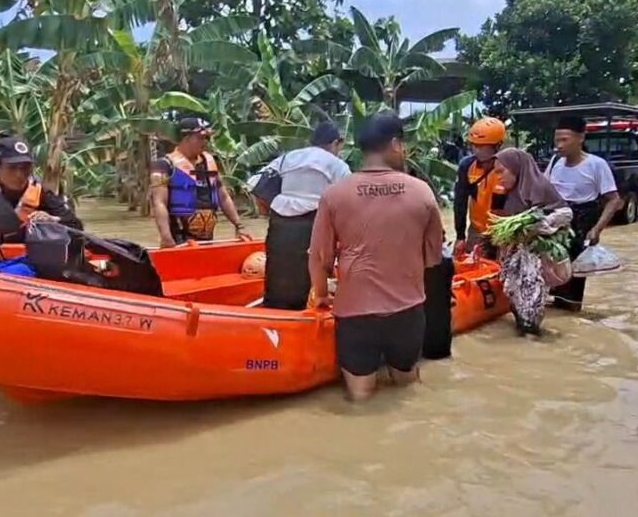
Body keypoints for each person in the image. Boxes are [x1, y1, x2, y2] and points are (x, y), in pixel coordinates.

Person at [308, 112, 444, 402]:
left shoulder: (335, 194)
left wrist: (321, 294)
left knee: (360, 399)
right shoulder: (422, 192)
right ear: (395, 144)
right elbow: (434, 259)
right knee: (408, 389)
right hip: (407, 310)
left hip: (355, 312)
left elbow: (320, 257)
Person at [254, 122, 351, 310]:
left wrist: (271, 210)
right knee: (314, 271)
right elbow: (348, 201)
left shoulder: (288, 158)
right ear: (336, 143)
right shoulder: (338, 165)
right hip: (314, 222)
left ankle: (275, 312)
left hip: (280, 222)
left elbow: (259, 187)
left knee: (277, 268)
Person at [490, 148, 572, 337]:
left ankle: (531, 337)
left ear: (517, 168)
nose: (499, 178)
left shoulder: (539, 187)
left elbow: (566, 213)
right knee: (513, 292)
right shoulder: (510, 193)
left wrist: (543, 224)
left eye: (502, 172)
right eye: (496, 173)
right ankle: (524, 332)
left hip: (536, 254)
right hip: (515, 252)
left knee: (531, 297)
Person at [544, 116, 621, 312]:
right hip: (557, 220)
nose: (559, 146)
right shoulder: (555, 162)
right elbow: (543, 190)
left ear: (580, 138)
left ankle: (570, 310)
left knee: (575, 272)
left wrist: (597, 229)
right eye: (556, 141)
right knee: (553, 266)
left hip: (582, 221)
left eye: (564, 140)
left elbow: (613, 200)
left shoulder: (596, 165)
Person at [150, 117, 250, 248]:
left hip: (208, 239)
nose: (205, 142)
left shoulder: (208, 162)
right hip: (179, 239)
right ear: (186, 139)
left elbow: (223, 196)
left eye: (206, 138)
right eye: (201, 138)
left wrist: (239, 226)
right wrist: (166, 236)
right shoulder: (164, 165)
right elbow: (159, 202)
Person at [453, 117, 506, 255]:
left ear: (497, 145)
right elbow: (460, 201)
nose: (476, 150)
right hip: (477, 231)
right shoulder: (467, 166)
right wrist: (460, 236)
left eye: (482, 146)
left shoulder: (510, 167)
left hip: (503, 232)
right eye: (473, 145)